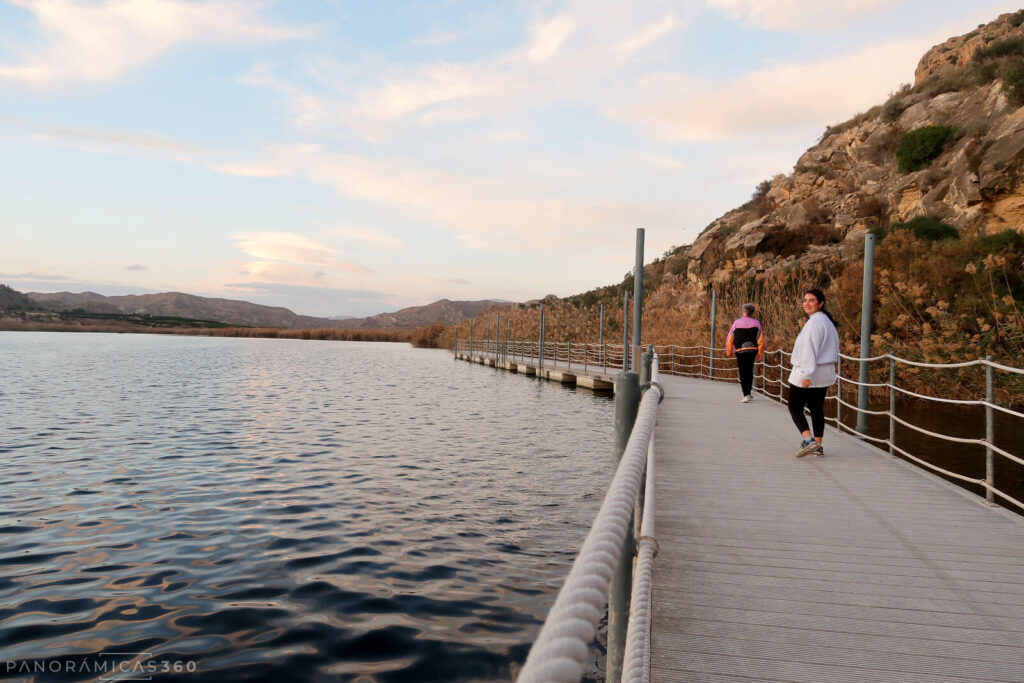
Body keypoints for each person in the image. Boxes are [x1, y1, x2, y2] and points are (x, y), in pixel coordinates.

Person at [789, 289, 840, 458]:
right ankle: (818, 445)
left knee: (795, 407)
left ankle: (809, 440)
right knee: (816, 409)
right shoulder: (826, 322)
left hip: (809, 371)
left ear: (821, 303)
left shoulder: (814, 324)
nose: (807, 303)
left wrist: (806, 375)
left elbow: (809, 350)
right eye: (805, 300)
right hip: (824, 373)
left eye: (811, 300)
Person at [725, 303, 764, 403]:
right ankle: (749, 393)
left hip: (740, 351)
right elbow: (760, 340)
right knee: (749, 371)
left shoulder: (736, 323)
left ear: (744, 311)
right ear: (752, 312)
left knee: (743, 372)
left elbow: (730, 338)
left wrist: (729, 351)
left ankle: (745, 394)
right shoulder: (757, 323)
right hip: (752, 350)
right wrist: (760, 354)